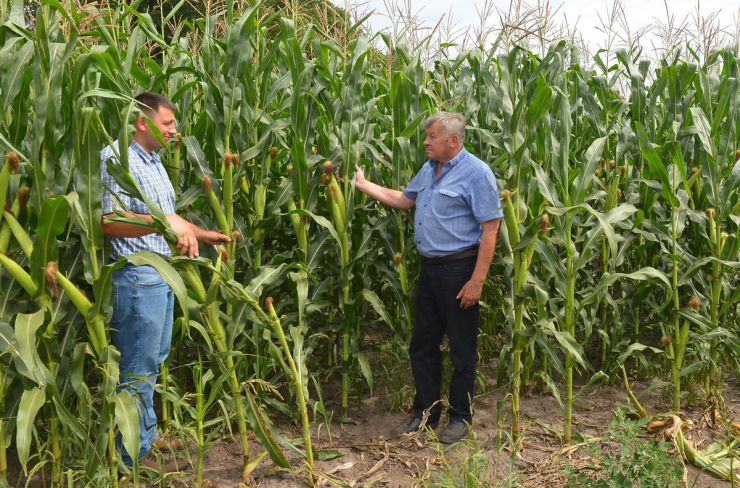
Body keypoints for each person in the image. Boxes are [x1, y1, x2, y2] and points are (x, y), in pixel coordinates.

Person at [354, 112, 502, 444]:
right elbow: (404, 200)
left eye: (431, 136)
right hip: (431, 270)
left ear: (453, 140)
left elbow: (491, 229)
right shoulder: (428, 169)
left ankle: (461, 417)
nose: (425, 141)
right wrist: (364, 185)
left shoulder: (476, 174)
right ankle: (426, 412)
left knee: (462, 348)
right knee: (422, 345)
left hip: (459, 270)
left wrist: (477, 281)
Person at [100, 92, 230, 466]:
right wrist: (163, 222)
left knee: (153, 360)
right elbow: (109, 222)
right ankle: (130, 457)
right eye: (168, 123)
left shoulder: (153, 162)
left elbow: (168, 219)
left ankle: (146, 436)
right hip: (137, 276)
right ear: (143, 122)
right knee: (137, 367)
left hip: (162, 274)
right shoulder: (118, 158)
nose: (175, 131)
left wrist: (204, 235)